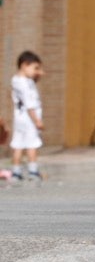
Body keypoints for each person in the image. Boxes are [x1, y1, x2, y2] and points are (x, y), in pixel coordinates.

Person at [10, 51, 45, 181]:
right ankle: (33, 171)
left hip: (19, 119)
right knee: (32, 145)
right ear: (25, 65)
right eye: (35, 68)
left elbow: (34, 79)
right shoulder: (25, 83)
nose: (37, 72)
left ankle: (16, 172)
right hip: (29, 120)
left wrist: (37, 74)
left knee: (18, 145)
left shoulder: (16, 80)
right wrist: (37, 121)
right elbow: (30, 105)